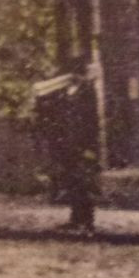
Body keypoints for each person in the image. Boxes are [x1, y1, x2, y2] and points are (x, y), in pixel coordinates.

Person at [42, 65, 101, 234]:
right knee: (73, 183)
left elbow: (91, 122)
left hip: (82, 145)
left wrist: (90, 147)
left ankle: (87, 221)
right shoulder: (66, 92)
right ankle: (75, 218)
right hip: (69, 145)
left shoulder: (87, 92)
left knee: (84, 183)